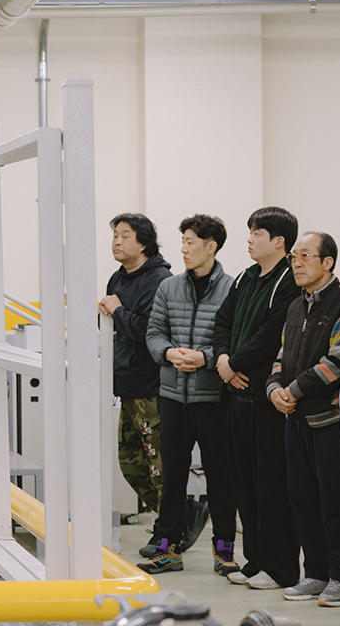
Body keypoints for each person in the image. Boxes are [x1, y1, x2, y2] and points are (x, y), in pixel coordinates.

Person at [139, 214, 238, 576]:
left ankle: (224, 549)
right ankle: (168, 547)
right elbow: (154, 333)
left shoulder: (233, 288)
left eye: (190, 242)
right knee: (173, 473)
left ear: (211, 247)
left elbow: (234, 342)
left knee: (220, 473)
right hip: (171, 395)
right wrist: (168, 353)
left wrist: (206, 358)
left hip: (213, 397)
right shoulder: (169, 288)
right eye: (182, 241)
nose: (183, 248)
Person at [211, 206, 302, 591]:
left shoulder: (288, 282)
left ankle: (280, 568)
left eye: (256, 233)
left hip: (266, 399)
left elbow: (271, 333)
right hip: (236, 395)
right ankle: (256, 561)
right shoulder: (246, 277)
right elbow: (222, 321)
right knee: (244, 483)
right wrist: (221, 360)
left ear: (278, 241)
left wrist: (235, 363)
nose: (249, 239)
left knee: (271, 487)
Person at [267, 232, 340, 607]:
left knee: (334, 501)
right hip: (296, 422)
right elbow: (281, 355)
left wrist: (293, 391)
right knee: (301, 498)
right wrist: (274, 387)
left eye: (305, 255)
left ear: (328, 263)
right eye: (294, 256)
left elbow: (338, 360)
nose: (297, 263)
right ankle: (316, 573)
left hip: (329, 423)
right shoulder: (295, 306)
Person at [99, 212, 172, 552]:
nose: (116, 241)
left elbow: (147, 331)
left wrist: (117, 311)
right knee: (130, 463)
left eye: (125, 235)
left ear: (142, 242)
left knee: (158, 466)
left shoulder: (159, 279)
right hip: (125, 385)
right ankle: (176, 517)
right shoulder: (118, 278)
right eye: (115, 235)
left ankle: (170, 530)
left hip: (151, 387)